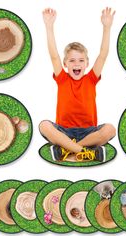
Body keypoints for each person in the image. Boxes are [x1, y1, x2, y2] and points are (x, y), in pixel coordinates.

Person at [39, 7, 116, 162]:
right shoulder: (62, 78)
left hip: (89, 133)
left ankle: (67, 150)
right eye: (72, 60)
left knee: (110, 129)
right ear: (65, 64)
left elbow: (103, 54)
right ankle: (87, 152)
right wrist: (49, 26)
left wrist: (107, 27)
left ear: (87, 63)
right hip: (64, 131)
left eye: (81, 60)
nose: (77, 64)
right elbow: (54, 55)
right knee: (44, 125)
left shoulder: (91, 79)